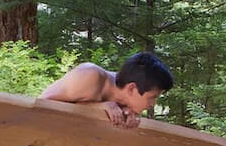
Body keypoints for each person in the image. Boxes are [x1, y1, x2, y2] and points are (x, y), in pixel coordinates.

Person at [38, 52, 174, 129]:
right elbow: (41, 104)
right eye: (151, 97)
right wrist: (97, 107)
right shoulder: (89, 76)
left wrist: (129, 114)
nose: (153, 104)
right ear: (131, 88)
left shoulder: (126, 101)